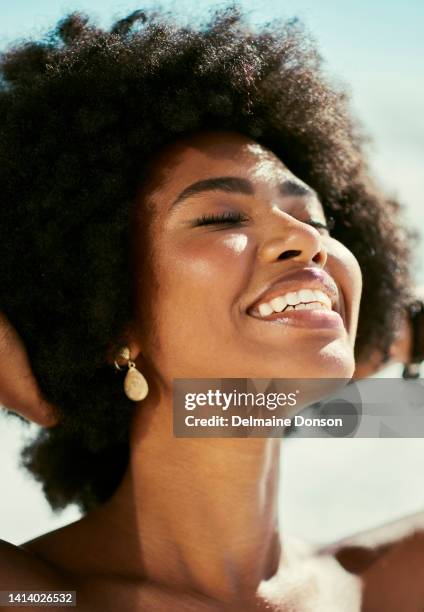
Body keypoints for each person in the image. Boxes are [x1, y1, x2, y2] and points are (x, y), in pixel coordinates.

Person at [0, 8, 422, 610]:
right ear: (112, 317)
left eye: (312, 219)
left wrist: (398, 333)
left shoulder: (385, 584)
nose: (306, 242)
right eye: (221, 217)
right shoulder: (39, 598)